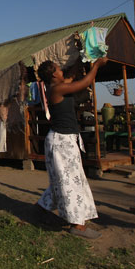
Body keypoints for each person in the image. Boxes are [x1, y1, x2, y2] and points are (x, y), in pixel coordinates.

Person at [36, 57, 108, 239]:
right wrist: (98, 65)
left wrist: (81, 57)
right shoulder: (57, 89)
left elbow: (72, 76)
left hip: (62, 140)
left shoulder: (56, 86)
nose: (62, 71)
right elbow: (84, 82)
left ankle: (41, 211)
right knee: (72, 182)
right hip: (62, 142)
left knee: (61, 180)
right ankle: (78, 225)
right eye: (59, 69)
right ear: (53, 74)